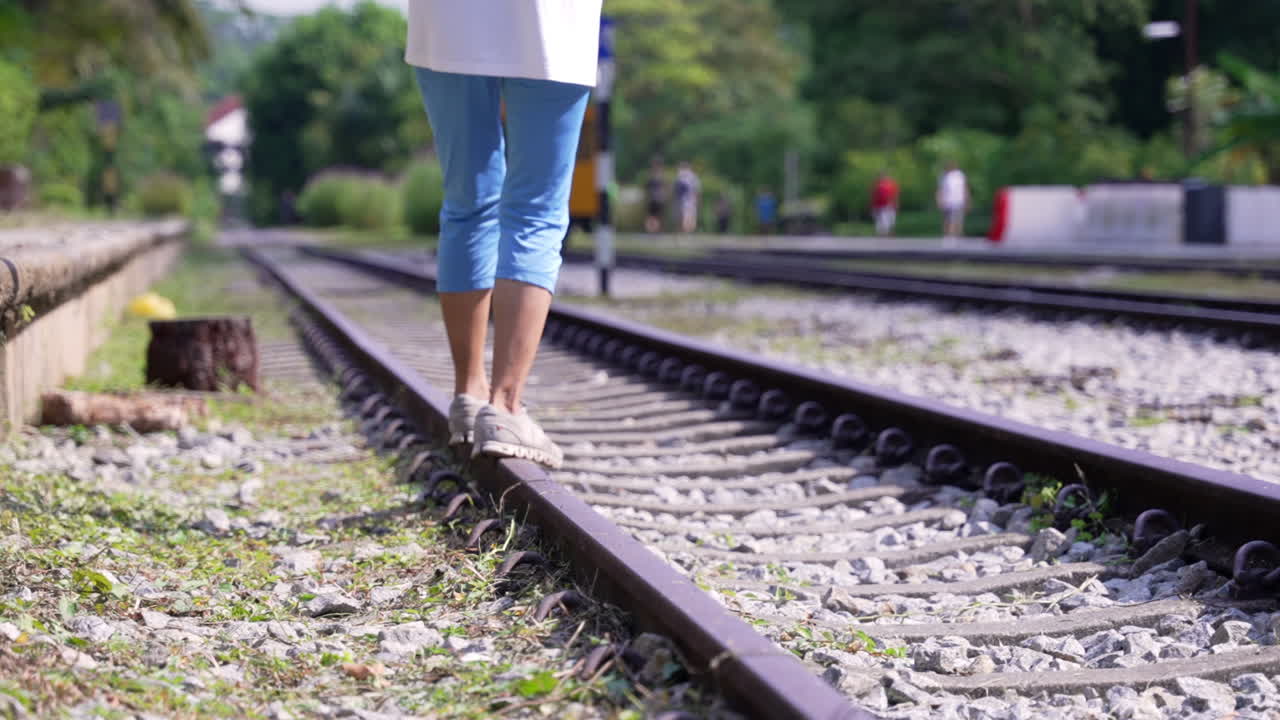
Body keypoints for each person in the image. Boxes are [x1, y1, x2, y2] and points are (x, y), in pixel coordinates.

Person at [405, 0, 602, 469]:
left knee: (466, 203)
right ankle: (507, 405)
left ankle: (469, 394)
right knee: (536, 208)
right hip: (550, 20)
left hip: (448, 18)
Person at [936, 162, 970, 240]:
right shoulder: (944, 176)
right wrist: (939, 200)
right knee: (948, 222)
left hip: (959, 202)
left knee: (959, 221)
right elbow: (940, 189)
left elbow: (965, 188)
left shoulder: (960, 175)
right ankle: (948, 238)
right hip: (947, 202)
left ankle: (958, 238)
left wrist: (967, 200)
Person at [673, 162, 700, 233]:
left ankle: (686, 231)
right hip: (688, 200)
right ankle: (687, 232)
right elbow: (697, 190)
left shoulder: (682, 176)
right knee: (688, 218)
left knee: (685, 218)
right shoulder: (693, 177)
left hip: (685, 200)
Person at [870, 171, 899, 236]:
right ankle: (883, 233)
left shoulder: (892, 184)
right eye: (881, 176)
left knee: (890, 220)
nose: (882, 178)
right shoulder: (876, 186)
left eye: (883, 176)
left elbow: (895, 195)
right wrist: (873, 206)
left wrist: (896, 203)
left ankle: (886, 232)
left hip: (889, 205)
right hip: (880, 206)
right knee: (883, 220)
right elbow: (873, 196)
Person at [643, 156, 666, 233]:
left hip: (657, 199)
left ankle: (653, 231)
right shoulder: (655, 175)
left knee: (655, 217)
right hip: (654, 199)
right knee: (653, 217)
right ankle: (652, 231)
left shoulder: (654, 175)